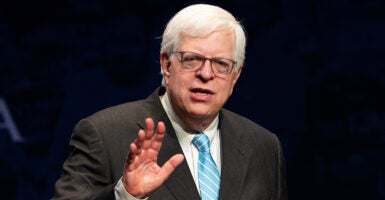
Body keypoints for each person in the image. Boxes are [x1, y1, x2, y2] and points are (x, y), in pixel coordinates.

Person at [52, 3, 288, 200]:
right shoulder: (103, 133)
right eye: (192, 59)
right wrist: (126, 195)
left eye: (220, 64)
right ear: (166, 65)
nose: (206, 74)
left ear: (235, 76)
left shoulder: (264, 147)